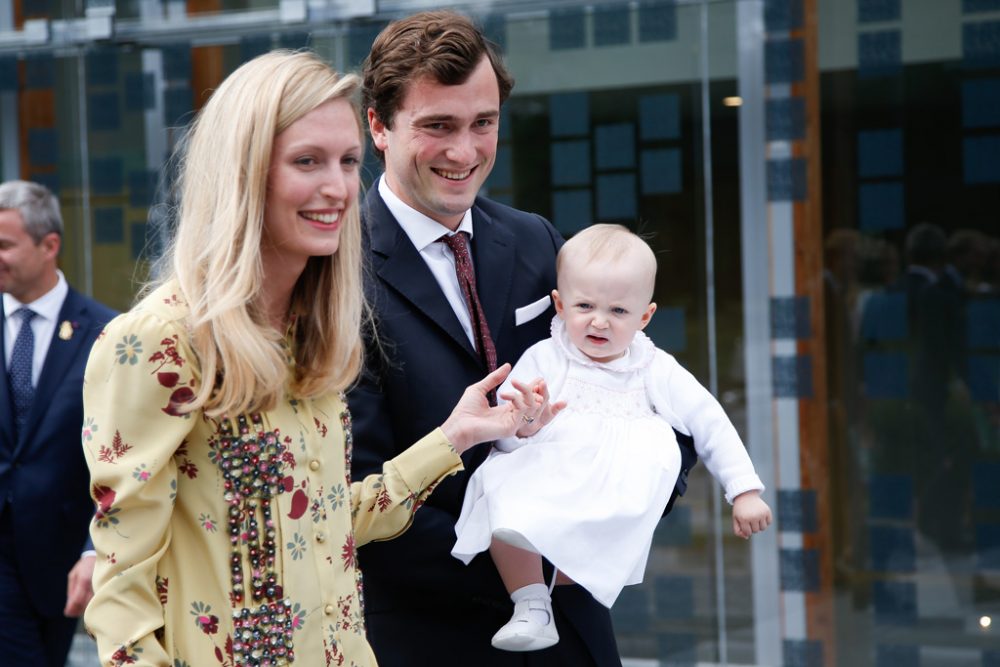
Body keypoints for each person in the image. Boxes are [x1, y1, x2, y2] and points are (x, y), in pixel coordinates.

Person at [82, 50, 540, 667]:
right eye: (307, 162)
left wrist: (453, 438)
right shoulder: (159, 342)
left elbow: (324, 522)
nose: (338, 187)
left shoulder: (314, 337)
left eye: (349, 162)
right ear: (242, 173)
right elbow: (121, 596)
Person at [347, 11, 694, 666]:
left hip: (574, 637)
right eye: (437, 126)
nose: (465, 151)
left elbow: (646, 389)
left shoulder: (535, 240)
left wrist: (621, 514)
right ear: (377, 126)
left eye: (483, 122)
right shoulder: (335, 279)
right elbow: (358, 488)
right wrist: (524, 571)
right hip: (431, 641)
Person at [451, 224, 773, 651]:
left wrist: (744, 489)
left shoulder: (653, 367)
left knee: (589, 539)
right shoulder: (547, 356)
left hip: (615, 481)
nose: (599, 321)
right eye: (585, 305)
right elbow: (509, 431)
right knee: (496, 492)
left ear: (645, 316)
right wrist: (526, 422)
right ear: (560, 305)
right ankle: (530, 602)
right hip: (551, 468)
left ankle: (564, 597)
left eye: (619, 311)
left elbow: (707, 419)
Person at [0, 179, 116, 666]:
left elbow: (119, 454)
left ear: (50, 246)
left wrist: (94, 551)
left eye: (5, 244)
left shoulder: (105, 334)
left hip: (63, 561)